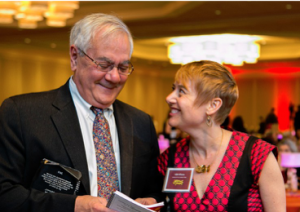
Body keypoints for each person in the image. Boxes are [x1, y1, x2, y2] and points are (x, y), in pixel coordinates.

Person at [0, 13, 163, 212]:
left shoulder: (140, 122)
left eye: (123, 67)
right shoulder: (23, 114)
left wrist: (150, 201)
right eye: (104, 65)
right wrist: (76, 206)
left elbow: (154, 191)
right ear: (75, 57)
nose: (114, 77)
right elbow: (5, 194)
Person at [157, 60, 285, 211]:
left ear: (212, 105)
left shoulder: (257, 156)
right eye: (173, 89)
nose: (169, 98)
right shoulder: (169, 158)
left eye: (181, 92)